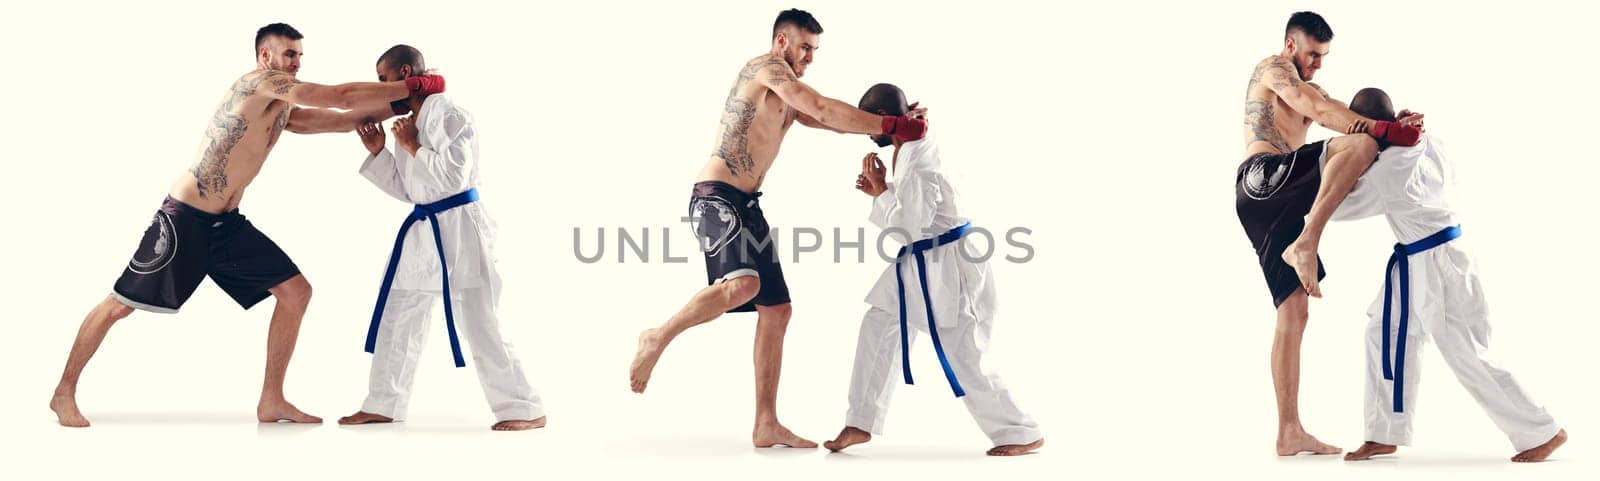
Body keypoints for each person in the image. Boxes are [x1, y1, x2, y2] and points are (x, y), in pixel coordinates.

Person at [49, 23, 444, 427]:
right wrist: (416, 84)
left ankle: (271, 400)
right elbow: (339, 97)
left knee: (296, 292)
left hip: (226, 226)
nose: (296, 63)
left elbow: (337, 119)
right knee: (119, 306)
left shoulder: (280, 107)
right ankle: (63, 392)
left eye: (300, 56)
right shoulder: (258, 84)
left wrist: (407, 102)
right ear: (265, 56)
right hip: (185, 219)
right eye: (289, 54)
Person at [626, 9, 928, 448]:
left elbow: (828, 118)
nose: (809, 57)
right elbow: (821, 105)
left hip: (746, 205)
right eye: (804, 47)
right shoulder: (766, 69)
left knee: (777, 310)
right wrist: (892, 124)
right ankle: (657, 336)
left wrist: (895, 121)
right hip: (715, 196)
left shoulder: (788, 94)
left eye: (814, 50)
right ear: (781, 41)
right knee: (744, 284)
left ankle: (765, 423)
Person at [1332, 88, 1567, 463]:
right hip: (1429, 256)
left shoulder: (1389, 172)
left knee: (1465, 350)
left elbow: (1338, 206)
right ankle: (1383, 432)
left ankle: (1542, 430)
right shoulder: (1426, 140)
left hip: (1434, 263)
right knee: (1384, 331)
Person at [1233, 11, 1422, 455]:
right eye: (1313, 54)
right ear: (1290, 45)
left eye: (1324, 56)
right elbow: (1316, 110)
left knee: (1294, 312)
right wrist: (1380, 132)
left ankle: (1288, 431)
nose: (1318, 63)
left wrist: (1394, 122)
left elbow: (1339, 113)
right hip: (1262, 179)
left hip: (1270, 204)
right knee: (1363, 144)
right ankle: (1306, 241)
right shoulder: (1273, 69)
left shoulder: (1314, 85)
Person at [822, 84, 1043, 456]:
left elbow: (909, 224)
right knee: (879, 325)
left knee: (964, 347)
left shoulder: (915, 157)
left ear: (884, 121)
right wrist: (885, 189)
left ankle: (1019, 431)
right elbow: (917, 208)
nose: (865, 131)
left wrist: (880, 191)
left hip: (947, 264)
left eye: (867, 124)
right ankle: (860, 421)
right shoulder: (909, 141)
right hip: (923, 260)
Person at [334, 45, 546, 431]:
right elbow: (411, 190)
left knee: (479, 319)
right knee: (398, 313)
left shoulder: (450, 114)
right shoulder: (411, 120)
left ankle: (523, 407)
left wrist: (412, 145)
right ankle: (384, 402)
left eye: (383, 80)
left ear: (404, 72)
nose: (381, 88)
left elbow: (453, 179)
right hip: (423, 230)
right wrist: (381, 152)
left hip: (460, 230)